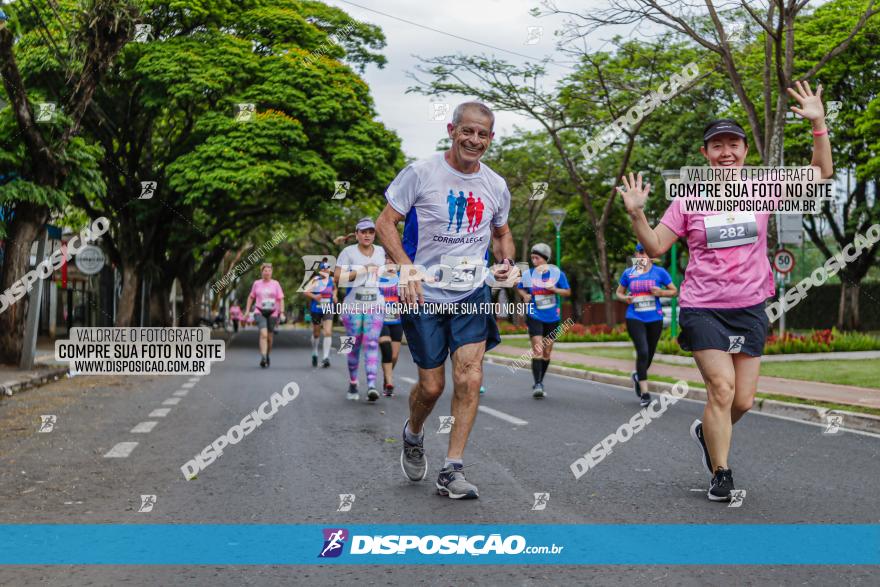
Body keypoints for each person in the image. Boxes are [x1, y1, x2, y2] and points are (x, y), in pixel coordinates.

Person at [617, 81, 833, 502]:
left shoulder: (763, 186)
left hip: (751, 306)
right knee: (721, 389)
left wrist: (818, 122)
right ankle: (722, 472)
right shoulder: (687, 198)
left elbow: (821, 172)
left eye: (733, 143)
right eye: (717, 146)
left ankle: (707, 431)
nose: (726, 152)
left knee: (744, 401)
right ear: (706, 155)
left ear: (745, 151)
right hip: (703, 308)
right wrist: (637, 213)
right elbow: (657, 245)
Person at [376, 101, 517, 500]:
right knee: (432, 387)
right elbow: (387, 222)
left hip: (471, 292)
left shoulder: (495, 185)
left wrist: (506, 261)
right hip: (424, 295)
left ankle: (452, 468)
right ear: (452, 130)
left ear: (491, 138)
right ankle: (414, 433)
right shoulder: (421, 173)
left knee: (470, 376)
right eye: (467, 131)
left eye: (483, 134)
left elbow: (502, 233)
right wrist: (406, 267)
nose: (474, 140)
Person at [615, 243, 677, 408]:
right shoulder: (629, 272)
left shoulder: (659, 272)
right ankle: (645, 393)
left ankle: (637, 375)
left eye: (644, 253)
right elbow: (618, 292)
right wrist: (624, 299)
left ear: (650, 255)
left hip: (654, 318)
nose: (641, 256)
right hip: (634, 316)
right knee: (642, 351)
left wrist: (662, 293)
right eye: (638, 253)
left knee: (648, 354)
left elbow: (674, 291)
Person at [334, 218, 386, 402]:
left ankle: (372, 385)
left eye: (371, 232)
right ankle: (353, 381)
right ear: (356, 234)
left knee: (372, 343)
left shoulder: (381, 251)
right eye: (363, 232)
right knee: (354, 343)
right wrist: (362, 270)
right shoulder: (348, 252)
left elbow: (392, 270)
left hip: (376, 302)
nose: (367, 235)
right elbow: (338, 278)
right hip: (353, 304)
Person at [516, 243, 571, 398]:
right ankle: (538, 384)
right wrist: (525, 295)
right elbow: (520, 287)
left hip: (552, 317)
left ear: (545, 259)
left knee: (547, 352)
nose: (534, 261)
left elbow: (567, 292)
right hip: (534, 315)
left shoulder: (557, 274)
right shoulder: (528, 274)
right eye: (532, 258)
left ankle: (540, 380)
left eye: (537, 258)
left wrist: (555, 290)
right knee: (538, 349)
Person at [243, 263, 285, 368]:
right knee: (263, 334)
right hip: (259, 310)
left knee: (270, 338)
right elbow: (251, 297)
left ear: (271, 272)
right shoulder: (257, 283)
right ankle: (263, 357)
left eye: (269, 271)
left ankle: (267, 354)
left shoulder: (275, 284)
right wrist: (247, 311)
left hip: (273, 312)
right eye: (265, 271)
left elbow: (280, 299)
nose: (267, 272)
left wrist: (282, 312)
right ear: (261, 272)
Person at [304, 261, 336, 368]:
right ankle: (315, 352)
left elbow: (334, 289)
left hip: (328, 308)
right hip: (316, 309)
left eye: (327, 269)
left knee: (327, 332)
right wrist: (315, 297)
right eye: (323, 269)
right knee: (316, 333)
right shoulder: (315, 280)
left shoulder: (332, 280)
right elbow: (306, 292)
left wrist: (335, 296)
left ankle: (326, 357)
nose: (325, 270)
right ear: (320, 270)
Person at [378, 265, 403, 396]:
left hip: (397, 319)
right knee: (386, 349)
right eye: (386, 259)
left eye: (391, 260)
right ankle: (389, 382)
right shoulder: (376, 276)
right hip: (380, 319)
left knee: (394, 356)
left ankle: (386, 377)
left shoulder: (401, 277)